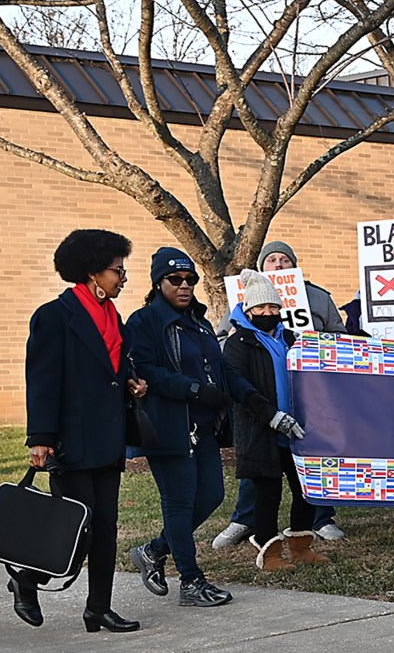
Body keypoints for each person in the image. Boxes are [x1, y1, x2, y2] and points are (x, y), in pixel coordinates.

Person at [15, 229, 146, 632]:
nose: (123, 278)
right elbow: (43, 380)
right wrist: (41, 438)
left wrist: (131, 380)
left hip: (106, 438)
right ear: (92, 273)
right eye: (116, 271)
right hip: (71, 440)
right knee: (79, 525)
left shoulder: (113, 317)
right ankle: (27, 578)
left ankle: (98, 608)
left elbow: (111, 368)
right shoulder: (54, 316)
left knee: (106, 526)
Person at [126, 248, 269, 607]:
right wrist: (193, 389)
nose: (185, 285)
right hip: (167, 426)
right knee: (179, 502)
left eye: (191, 279)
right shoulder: (144, 322)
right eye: (176, 280)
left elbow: (222, 369)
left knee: (211, 497)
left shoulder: (201, 323)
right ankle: (190, 582)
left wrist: (250, 397)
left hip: (202, 427)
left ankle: (154, 551)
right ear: (159, 283)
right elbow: (147, 370)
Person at [212, 240, 348, 549]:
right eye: (271, 259)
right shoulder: (240, 335)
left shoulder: (301, 321)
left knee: (306, 482)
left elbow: (337, 342)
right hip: (260, 423)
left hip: (300, 421)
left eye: (284, 259)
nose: (267, 312)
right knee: (265, 488)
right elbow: (229, 368)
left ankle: (314, 527)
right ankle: (257, 532)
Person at [224, 270, 330, 569]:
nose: (268, 313)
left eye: (273, 308)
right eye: (261, 308)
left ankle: (300, 546)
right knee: (267, 493)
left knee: (305, 489)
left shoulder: (291, 339)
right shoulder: (238, 343)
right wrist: (271, 416)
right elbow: (240, 388)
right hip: (261, 430)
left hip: (296, 429)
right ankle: (269, 554)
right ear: (249, 309)